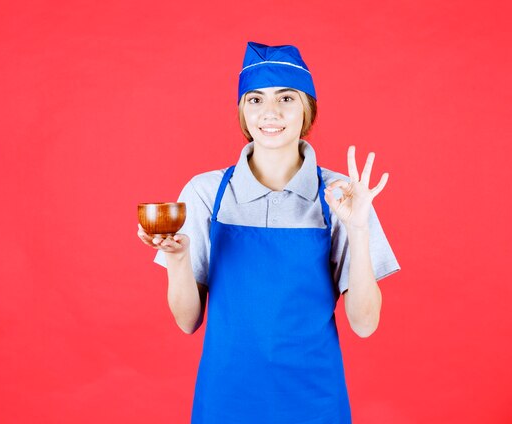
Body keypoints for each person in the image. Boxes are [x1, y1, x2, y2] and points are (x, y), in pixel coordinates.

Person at [137, 41, 401, 424]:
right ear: (243, 113)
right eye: (255, 100)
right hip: (226, 397)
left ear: (307, 109)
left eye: (287, 98)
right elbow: (187, 321)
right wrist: (178, 259)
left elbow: (364, 324)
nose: (270, 112)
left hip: (314, 399)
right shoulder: (206, 192)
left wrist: (358, 229)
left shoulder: (341, 196)